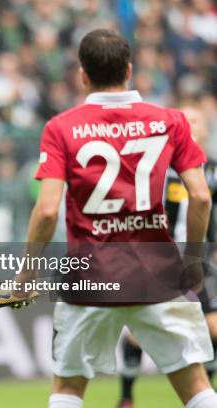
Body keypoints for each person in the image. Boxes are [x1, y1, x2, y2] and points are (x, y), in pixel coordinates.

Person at [21, 29, 217, 408]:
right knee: (196, 387)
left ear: (82, 74)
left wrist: (27, 273)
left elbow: (46, 210)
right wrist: (192, 261)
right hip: (159, 272)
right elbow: (201, 196)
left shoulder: (61, 127)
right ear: (129, 70)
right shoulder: (170, 121)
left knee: (68, 389)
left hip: (91, 276)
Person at [117, 103, 217, 408]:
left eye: (196, 120)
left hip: (199, 259)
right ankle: (126, 396)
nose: (191, 125)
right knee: (139, 334)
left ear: (204, 129)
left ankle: (204, 394)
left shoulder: (212, 169)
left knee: (213, 328)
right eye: (185, 120)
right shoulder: (159, 167)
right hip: (160, 261)